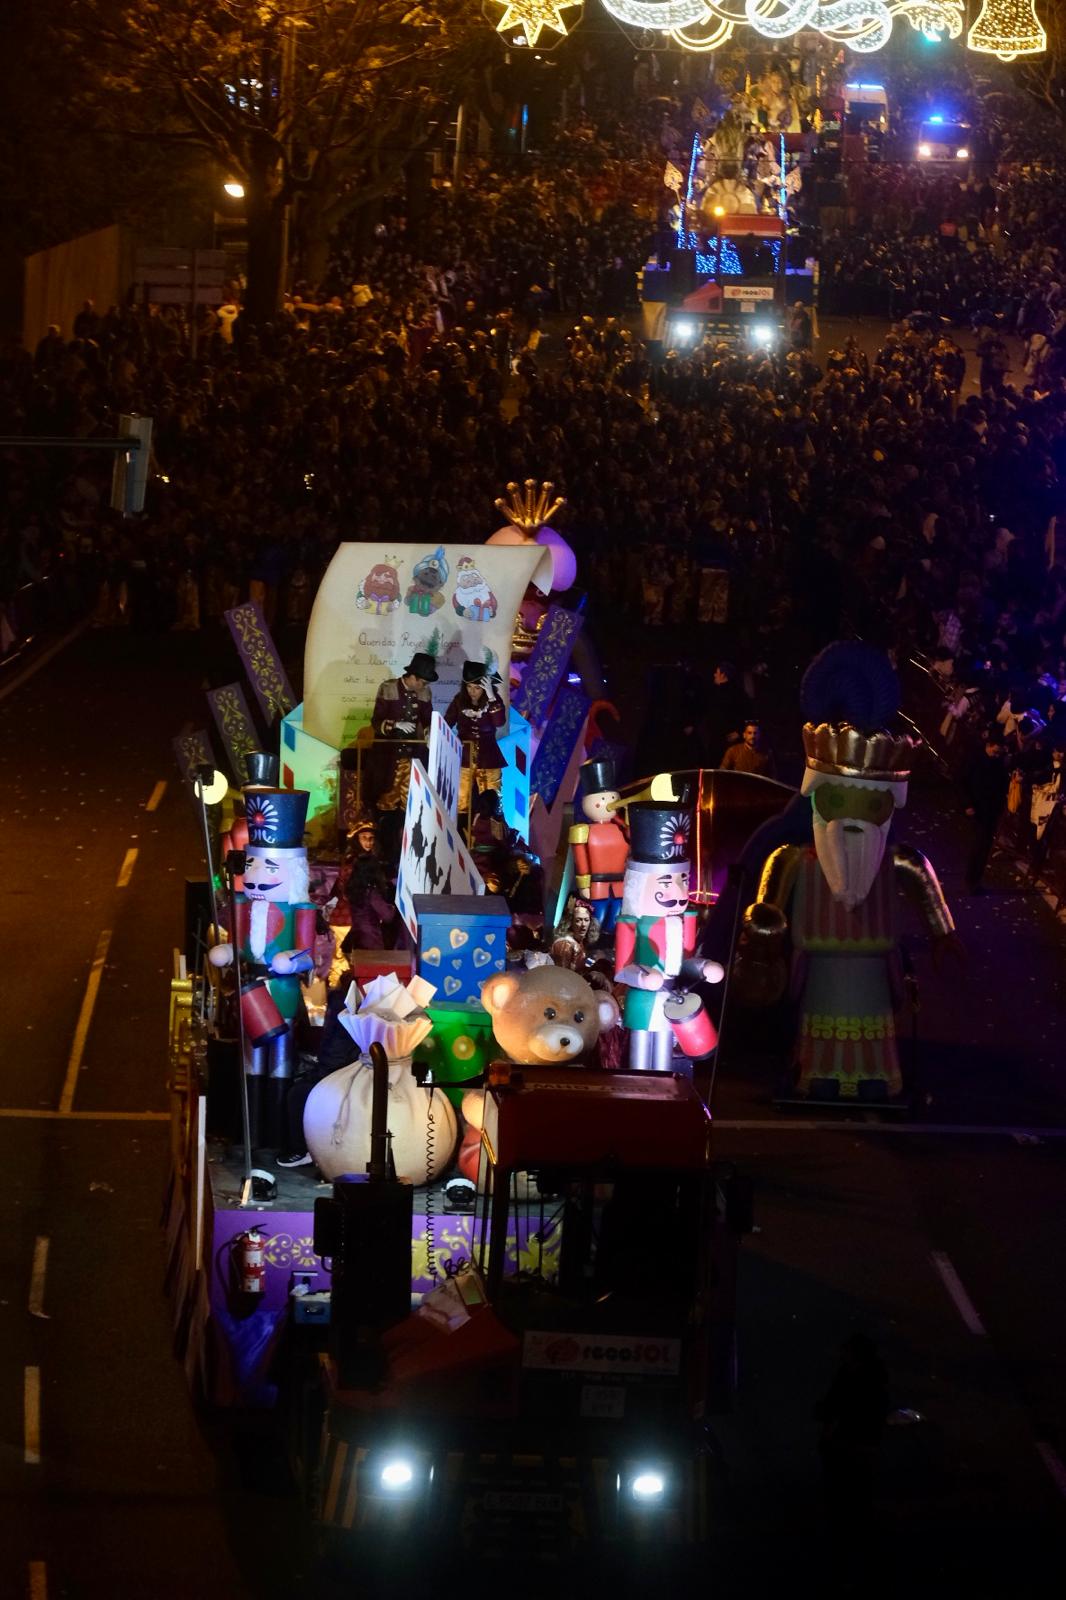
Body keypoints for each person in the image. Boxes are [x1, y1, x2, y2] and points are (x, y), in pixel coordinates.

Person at [816, 1333, 889, 1526]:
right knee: (859, 1492)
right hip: (864, 1442)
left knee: (843, 1492)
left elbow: (836, 1406)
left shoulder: (850, 1378)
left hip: (847, 1442)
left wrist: (827, 1429)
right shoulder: (876, 1378)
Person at [371, 651, 436, 811]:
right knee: (386, 797)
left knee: (411, 801)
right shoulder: (388, 688)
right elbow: (376, 721)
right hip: (388, 755)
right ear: (413, 677)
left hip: (412, 754)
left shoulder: (424, 693)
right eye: (423, 682)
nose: (424, 686)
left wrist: (429, 733)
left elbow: (428, 719)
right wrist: (395, 725)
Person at [444, 659, 506, 815]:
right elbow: (447, 722)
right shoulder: (459, 701)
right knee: (461, 800)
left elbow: (499, 722)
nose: (473, 691)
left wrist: (491, 697)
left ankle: (491, 833)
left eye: (477, 687)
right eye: (469, 687)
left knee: (492, 799)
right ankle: (461, 833)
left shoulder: (493, 700)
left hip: (488, 757)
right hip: (464, 756)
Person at [963, 733, 1010, 893]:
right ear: (988, 745)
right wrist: (967, 804)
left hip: (991, 808)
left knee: (985, 844)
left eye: (999, 753)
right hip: (979, 807)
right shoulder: (975, 760)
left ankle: (976, 879)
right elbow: (964, 781)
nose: (996, 755)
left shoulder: (998, 763)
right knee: (980, 843)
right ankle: (972, 879)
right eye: (994, 752)